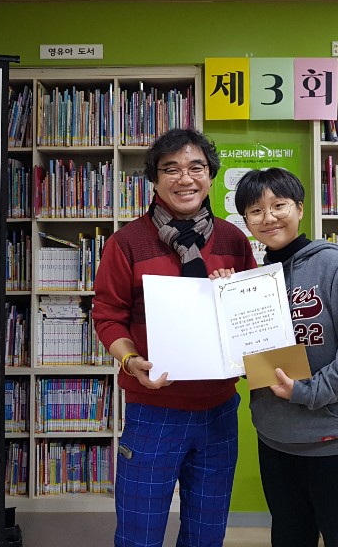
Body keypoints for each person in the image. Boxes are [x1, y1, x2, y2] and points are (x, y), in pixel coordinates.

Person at [92, 128, 257, 547]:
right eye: (171, 169)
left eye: (196, 168)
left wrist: (234, 295)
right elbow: (108, 316)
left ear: (210, 176)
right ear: (154, 179)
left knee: (207, 534)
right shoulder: (127, 242)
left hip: (219, 410)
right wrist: (130, 361)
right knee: (139, 535)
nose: (185, 178)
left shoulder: (234, 240)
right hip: (154, 410)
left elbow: (252, 316)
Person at [232, 167, 338, 547]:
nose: (268, 217)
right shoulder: (255, 281)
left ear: (299, 208)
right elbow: (249, 359)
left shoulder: (333, 265)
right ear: (247, 222)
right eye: (255, 211)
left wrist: (307, 391)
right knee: (289, 538)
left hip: (336, 443)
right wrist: (224, 305)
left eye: (278, 205)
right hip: (276, 441)